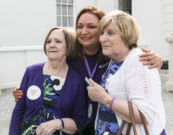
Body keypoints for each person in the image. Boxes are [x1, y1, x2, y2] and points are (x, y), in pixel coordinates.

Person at [12, 6, 163, 135]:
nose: (84, 31)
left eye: (91, 26)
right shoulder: (72, 57)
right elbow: (52, 68)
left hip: (118, 126)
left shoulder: (110, 55)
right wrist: (24, 92)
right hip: (84, 127)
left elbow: (134, 64)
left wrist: (157, 60)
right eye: (79, 26)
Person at [87, 10, 166, 135]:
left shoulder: (139, 60)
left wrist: (104, 98)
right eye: (102, 33)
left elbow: (144, 114)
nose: (102, 38)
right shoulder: (114, 60)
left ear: (126, 36)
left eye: (110, 33)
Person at [9, 27, 87, 135]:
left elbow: (80, 121)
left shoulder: (76, 80)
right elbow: (18, 112)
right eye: (48, 41)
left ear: (69, 48)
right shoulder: (31, 72)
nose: (51, 45)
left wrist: (58, 123)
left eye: (58, 41)